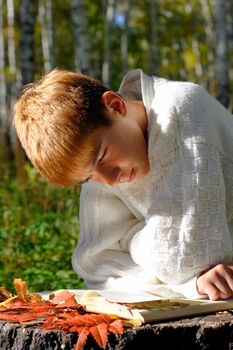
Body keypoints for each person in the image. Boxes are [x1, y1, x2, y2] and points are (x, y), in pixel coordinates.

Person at [13, 68, 233, 301]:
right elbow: (97, 269)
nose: (110, 180)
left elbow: (187, 257)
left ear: (116, 106)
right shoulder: (102, 165)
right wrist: (190, 285)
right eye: (88, 178)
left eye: (102, 157)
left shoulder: (180, 109)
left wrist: (131, 240)